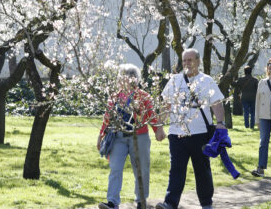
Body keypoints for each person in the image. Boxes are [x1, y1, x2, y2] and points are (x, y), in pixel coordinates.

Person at [157, 48, 226, 209]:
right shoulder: (174, 80)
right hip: (177, 134)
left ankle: (206, 203)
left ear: (198, 61)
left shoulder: (206, 80)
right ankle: (170, 203)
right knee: (176, 170)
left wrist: (220, 122)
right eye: (184, 60)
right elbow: (165, 105)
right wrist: (160, 126)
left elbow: (216, 103)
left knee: (202, 170)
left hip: (200, 134)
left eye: (190, 60)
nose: (187, 63)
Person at [97, 64, 165, 209]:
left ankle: (141, 201)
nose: (122, 79)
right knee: (115, 168)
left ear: (134, 79)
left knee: (141, 169)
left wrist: (158, 130)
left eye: (126, 76)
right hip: (118, 137)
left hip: (139, 136)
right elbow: (107, 117)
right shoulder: (114, 97)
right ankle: (112, 202)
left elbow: (151, 115)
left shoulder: (143, 96)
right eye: (121, 76)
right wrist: (100, 135)